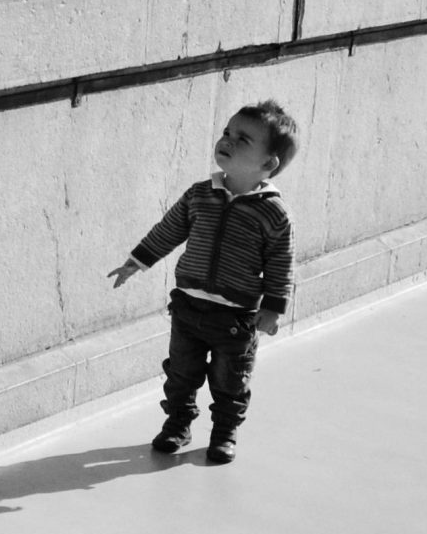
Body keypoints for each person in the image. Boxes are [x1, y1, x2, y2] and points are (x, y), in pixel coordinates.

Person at [106, 101, 299, 464]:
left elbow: (281, 264)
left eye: (243, 139)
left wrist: (273, 308)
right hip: (188, 306)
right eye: (227, 132)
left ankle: (225, 432)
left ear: (268, 163)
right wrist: (137, 261)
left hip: (235, 318)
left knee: (230, 380)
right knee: (181, 374)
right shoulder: (200, 194)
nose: (227, 140)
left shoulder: (274, 214)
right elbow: (169, 230)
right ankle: (178, 423)